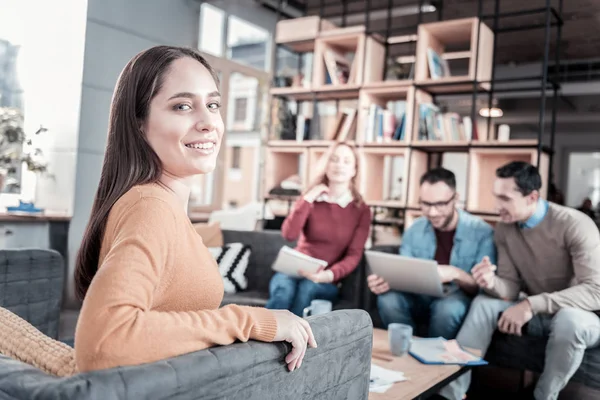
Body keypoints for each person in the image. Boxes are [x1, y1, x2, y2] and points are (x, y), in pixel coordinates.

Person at [73, 46, 316, 373]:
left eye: (213, 105)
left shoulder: (161, 206)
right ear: (139, 123)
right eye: (183, 106)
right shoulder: (151, 207)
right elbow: (104, 342)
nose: (208, 122)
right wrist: (252, 319)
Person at [438, 161, 600, 400]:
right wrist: (490, 281)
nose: (496, 206)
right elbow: (511, 288)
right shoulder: (505, 228)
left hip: (580, 314)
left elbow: (595, 291)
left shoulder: (574, 225)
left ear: (532, 197)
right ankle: (450, 394)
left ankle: (544, 396)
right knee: (484, 303)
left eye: (505, 198)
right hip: (537, 312)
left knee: (569, 320)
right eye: (496, 197)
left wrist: (530, 305)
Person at [367, 167, 496, 339]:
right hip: (419, 295)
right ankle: (407, 353)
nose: (432, 212)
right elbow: (404, 271)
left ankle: (436, 360)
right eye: (426, 204)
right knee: (388, 300)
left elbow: (482, 288)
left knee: (447, 309)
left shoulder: (482, 232)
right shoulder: (415, 229)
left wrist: (455, 273)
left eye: (440, 204)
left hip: (455, 297)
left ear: (455, 199)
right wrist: (385, 280)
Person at [265, 142, 372, 317]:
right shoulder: (311, 199)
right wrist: (307, 199)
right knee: (284, 289)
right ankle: (263, 339)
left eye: (346, 161)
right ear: (327, 165)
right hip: (293, 270)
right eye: (334, 159)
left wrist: (329, 275)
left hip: (325, 279)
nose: (339, 165)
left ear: (354, 170)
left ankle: (293, 342)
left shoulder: (361, 210)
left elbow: (354, 255)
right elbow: (289, 234)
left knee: (307, 289)